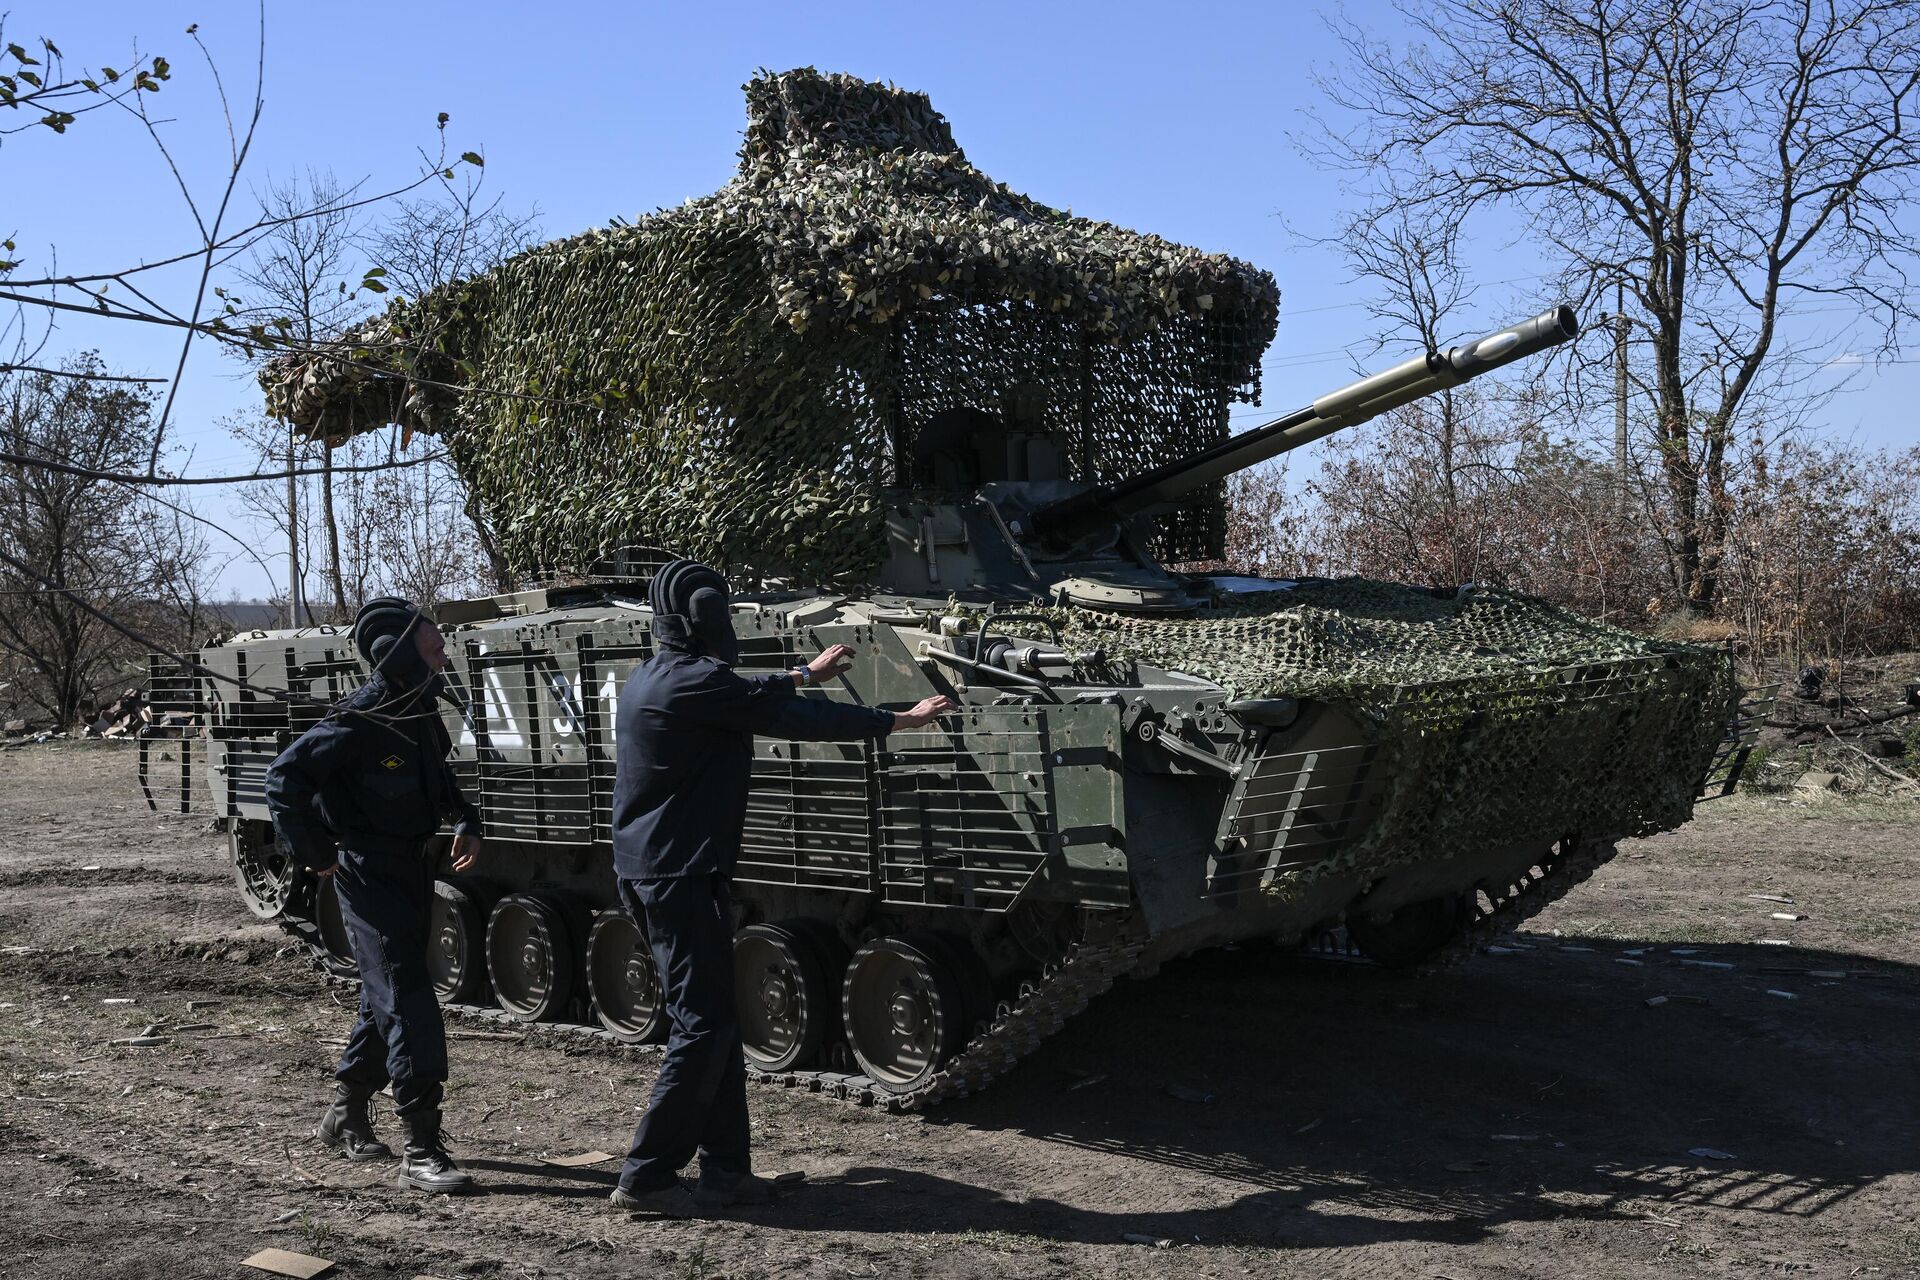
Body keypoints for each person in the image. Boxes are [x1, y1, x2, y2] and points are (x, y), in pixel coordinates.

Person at [608, 560, 952, 1217]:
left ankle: (727, 1170)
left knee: (712, 1022)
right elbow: (793, 717)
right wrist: (898, 721)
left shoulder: (658, 675)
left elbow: (748, 693)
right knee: (702, 1027)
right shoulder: (697, 683)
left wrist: (802, 673)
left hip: (663, 870)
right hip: (678, 878)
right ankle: (647, 1175)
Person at [264, 597, 484, 1195]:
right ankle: (422, 1146)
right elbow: (284, 778)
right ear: (399, 653)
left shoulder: (419, 712)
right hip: (364, 872)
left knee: (384, 990)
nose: (444, 655)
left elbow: (441, 779)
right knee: (408, 997)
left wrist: (465, 818)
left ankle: (347, 1108)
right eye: (435, 646)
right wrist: (315, 855)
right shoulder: (358, 720)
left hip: (412, 868)